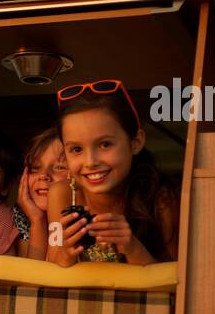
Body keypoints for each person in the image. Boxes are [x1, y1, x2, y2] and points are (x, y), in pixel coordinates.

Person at [46, 80, 179, 266]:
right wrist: (65, 254)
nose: (91, 162)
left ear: (135, 142)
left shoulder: (161, 196)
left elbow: (176, 282)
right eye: (76, 149)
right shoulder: (62, 195)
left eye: (105, 144)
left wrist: (132, 248)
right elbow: (51, 265)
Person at [14, 127, 69, 260]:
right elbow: (31, 277)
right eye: (35, 168)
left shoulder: (82, 216)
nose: (43, 175)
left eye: (59, 167)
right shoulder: (22, 216)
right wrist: (37, 221)